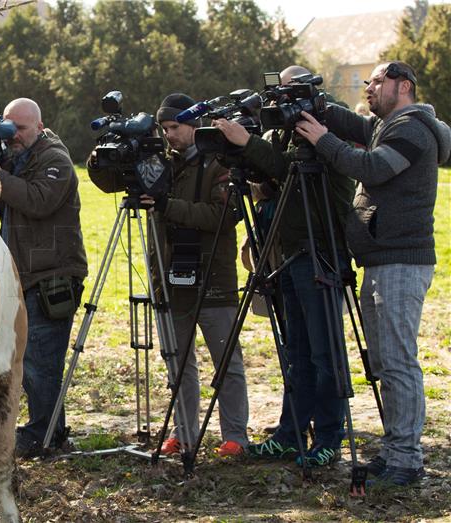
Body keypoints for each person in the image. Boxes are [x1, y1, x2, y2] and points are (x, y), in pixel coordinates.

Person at [294, 60, 451, 487]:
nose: (369, 87)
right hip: (382, 259)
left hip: (402, 260)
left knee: (399, 363)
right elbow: (359, 128)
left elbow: (372, 167)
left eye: (377, 81)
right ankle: (396, 448)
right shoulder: (390, 124)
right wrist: (317, 104)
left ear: (403, 86)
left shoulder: (413, 129)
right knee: (384, 363)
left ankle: (406, 459)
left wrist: (324, 140)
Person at [214, 65, 355, 468]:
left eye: (291, 92)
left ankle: (329, 436)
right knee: (297, 351)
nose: (283, 101)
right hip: (289, 251)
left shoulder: (326, 123)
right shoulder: (281, 128)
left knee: (325, 352)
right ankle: (291, 433)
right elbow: (276, 174)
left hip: (321, 249)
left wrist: (248, 142)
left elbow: (290, 167)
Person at [139, 93, 249, 457]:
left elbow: (222, 216)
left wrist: (170, 206)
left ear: (192, 124)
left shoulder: (218, 161)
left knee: (226, 363)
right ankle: (183, 432)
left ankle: (235, 436)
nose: (169, 134)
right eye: (164, 128)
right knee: (179, 364)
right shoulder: (160, 166)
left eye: (175, 127)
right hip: (169, 281)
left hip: (213, 279)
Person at [0, 98, 88, 459]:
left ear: (39, 127)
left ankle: (46, 433)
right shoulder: (19, 157)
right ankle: (49, 429)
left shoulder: (54, 159)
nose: (13, 136)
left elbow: (38, 200)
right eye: (8, 127)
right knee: (29, 362)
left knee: (42, 362)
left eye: (21, 129)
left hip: (52, 276)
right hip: (26, 274)